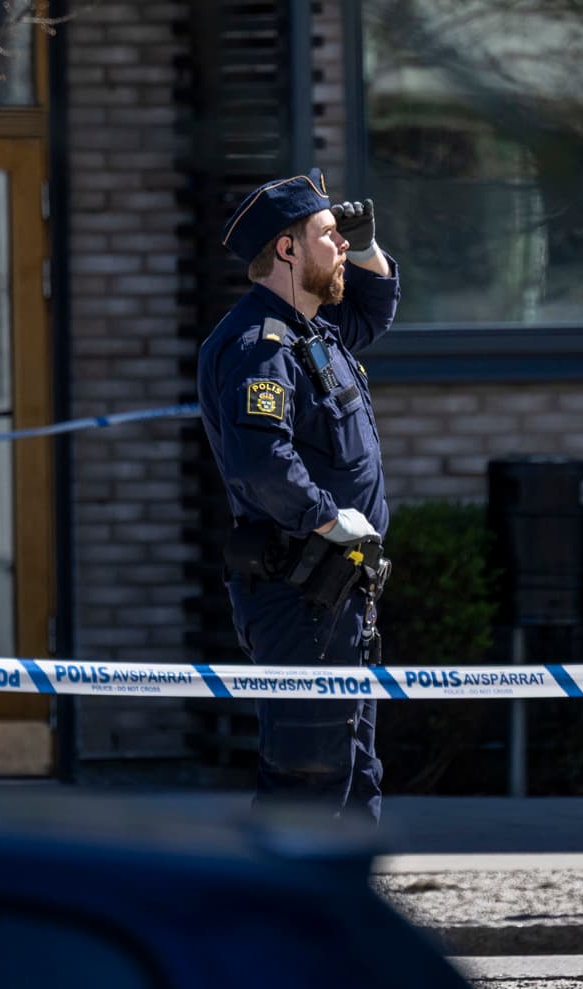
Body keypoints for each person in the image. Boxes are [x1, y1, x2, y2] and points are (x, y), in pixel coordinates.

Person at [197, 169, 400, 822]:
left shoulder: (314, 330)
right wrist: (327, 520)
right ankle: (265, 922)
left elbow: (373, 307)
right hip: (301, 593)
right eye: (329, 234)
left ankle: (346, 920)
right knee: (307, 781)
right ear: (286, 248)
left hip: (341, 593)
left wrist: (367, 249)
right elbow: (262, 463)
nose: (341, 244)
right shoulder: (261, 344)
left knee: (356, 776)